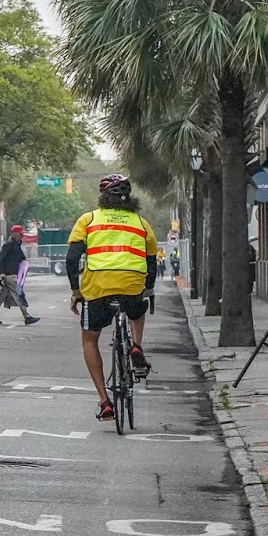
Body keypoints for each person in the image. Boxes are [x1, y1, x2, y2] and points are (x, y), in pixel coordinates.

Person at [67, 174, 158, 422]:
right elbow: (151, 261)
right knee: (137, 309)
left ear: (103, 197)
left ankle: (104, 401)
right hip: (131, 284)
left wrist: (76, 291)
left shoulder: (88, 220)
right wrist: (149, 289)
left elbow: (72, 258)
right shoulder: (141, 223)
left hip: (97, 286)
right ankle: (136, 345)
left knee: (89, 338)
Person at [0, 225, 40, 326]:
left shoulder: (15, 244)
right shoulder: (9, 244)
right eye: (20, 234)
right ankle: (27, 317)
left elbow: (21, 257)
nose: (21, 236)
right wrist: (1, 272)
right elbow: (0, 259)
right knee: (18, 294)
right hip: (9, 274)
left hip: (11, 274)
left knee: (1, 297)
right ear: (14, 234)